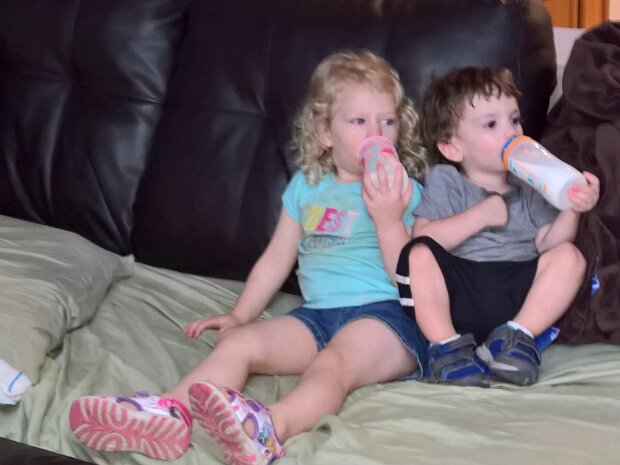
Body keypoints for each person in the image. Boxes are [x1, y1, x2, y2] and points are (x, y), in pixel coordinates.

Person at [69, 50, 430, 465]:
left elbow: (410, 276)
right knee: (239, 343)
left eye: (388, 121)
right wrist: (240, 315)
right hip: (317, 316)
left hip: (385, 317)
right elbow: (277, 258)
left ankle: (269, 429)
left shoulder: (406, 192)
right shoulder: (306, 189)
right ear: (325, 132)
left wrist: (388, 216)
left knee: (333, 364)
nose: (376, 133)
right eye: (359, 121)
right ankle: (169, 413)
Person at [395, 67, 600, 388]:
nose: (511, 132)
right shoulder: (446, 180)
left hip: (517, 292)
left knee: (570, 256)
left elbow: (549, 244)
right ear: (452, 148)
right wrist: (480, 215)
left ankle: (516, 337)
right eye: (491, 124)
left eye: (514, 120)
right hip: (460, 291)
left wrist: (572, 208)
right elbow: (423, 238)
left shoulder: (530, 184)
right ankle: (446, 348)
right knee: (418, 254)